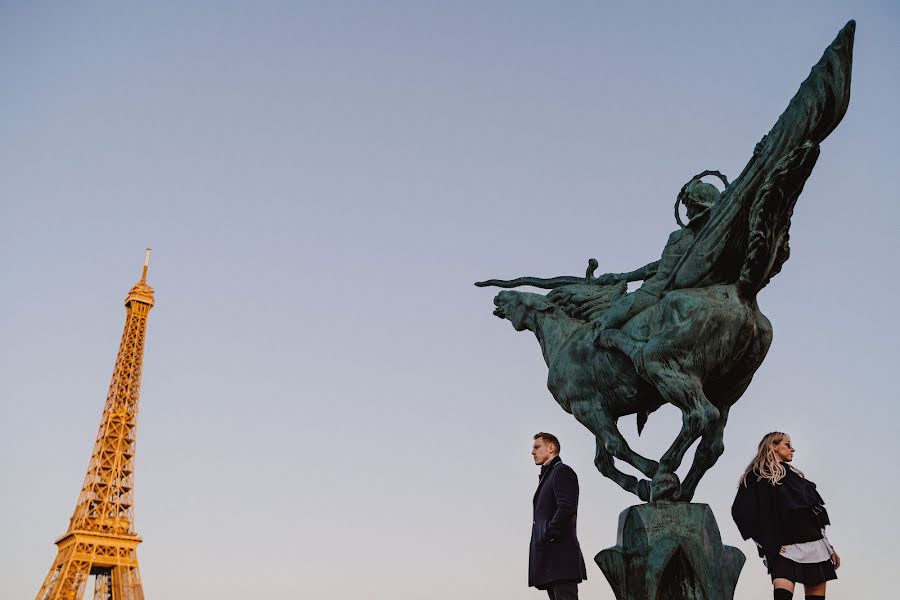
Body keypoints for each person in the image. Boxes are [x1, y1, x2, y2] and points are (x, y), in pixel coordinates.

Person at [591, 177, 721, 346]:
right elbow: (659, 264)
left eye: (688, 207)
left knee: (617, 311)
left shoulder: (681, 236)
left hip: (659, 288)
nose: (687, 213)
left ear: (696, 205)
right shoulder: (718, 236)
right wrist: (623, 276)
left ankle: (601, 331)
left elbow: (663, 272)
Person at [731, 432, 840, 600]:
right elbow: (742, 513)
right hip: (784, 550)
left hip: (816, 548)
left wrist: (828, 546)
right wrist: (767, 546)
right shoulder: (757, 477)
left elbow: (814, 515)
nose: (792, 449)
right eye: (787, 445)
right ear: (773, 446)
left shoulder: (797, 479)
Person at [529, 432, 587, 600]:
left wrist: (548, 534)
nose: (532, 452)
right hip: (551, 559)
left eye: (537, 447)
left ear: (551, 448)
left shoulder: (561, 471)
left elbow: (567, 507)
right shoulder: (548, 476)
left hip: (560, 558)